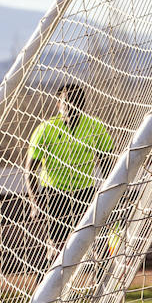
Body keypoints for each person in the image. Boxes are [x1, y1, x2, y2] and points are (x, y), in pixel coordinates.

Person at [26, 84, 115, 254]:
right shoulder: (45, 129)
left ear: (82, 105)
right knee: (57, 248)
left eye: (75, 101)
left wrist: (112, 192)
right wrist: (34, 202)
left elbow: (107, 163)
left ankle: (99, 279)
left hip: (85, 191)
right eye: (66, 101)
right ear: (58, 104)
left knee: (96, 241)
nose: (70, 105)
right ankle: (46, 277)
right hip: (54, 192)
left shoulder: (95, 127)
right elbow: (30, 170)